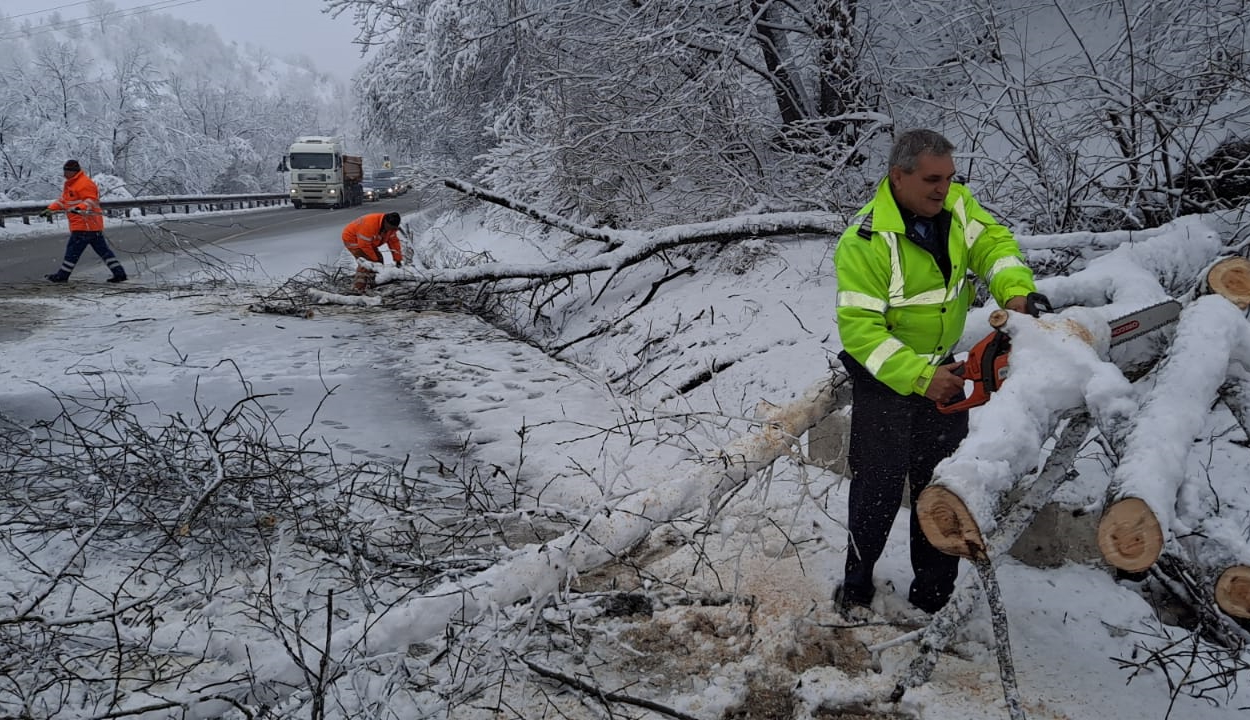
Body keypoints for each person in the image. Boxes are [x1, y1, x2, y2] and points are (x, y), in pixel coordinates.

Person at [833, 129, 1044, 616]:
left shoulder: (957, 206)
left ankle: (933, 597)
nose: (942, 189)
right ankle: (857, 588)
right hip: (885, 375)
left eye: (949, 178)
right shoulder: (865, 241)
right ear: (898, 177)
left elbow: (995, 245)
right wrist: (922, 378)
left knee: (942, 487)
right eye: (931, 179)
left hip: (944, 367)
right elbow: (861, 332)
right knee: (877, 489)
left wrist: (1015, 292)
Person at [41, 160, 127, 283]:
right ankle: (119, 273)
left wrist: (79, 208)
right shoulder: (71, 184)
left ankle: (62, 275)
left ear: (73, 172)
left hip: (85, 224)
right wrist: (50, 209)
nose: (64, 174)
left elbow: (91, 200)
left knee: (73, 251)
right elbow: (63, 201)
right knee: (103, 251)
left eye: (66, 171)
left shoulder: (84, 183)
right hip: (89, 226)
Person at [341, 211, 403, 293]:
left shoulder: (391, 229)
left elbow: (394, 242)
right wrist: (374, 260)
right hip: (353, 240)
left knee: (379, 259)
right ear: (385, 222)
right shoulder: (370, 225)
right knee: (366, 263)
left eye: (393, 228)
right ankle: (358, 289)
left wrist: (397, 259)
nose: (391, 230)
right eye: (390, 227)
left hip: (369, 242)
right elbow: (364, 245)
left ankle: (370, 284)